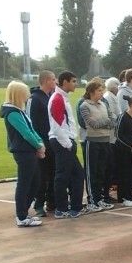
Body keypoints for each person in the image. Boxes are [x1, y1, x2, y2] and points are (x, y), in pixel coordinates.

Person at [1, 81, 45, 227]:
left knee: (35, 181)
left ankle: (24, 213)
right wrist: (39, 146)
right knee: (24, 184)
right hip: (23, 152)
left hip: (29, 151)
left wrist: (40, 143)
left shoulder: (19, 111)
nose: (28, 96)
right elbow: (26, 133)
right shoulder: (12, 113)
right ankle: (21, 215)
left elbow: (31, 129)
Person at [47, 71, 85, 219]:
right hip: (62, 141)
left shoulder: (62, 97)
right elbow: (57, 125)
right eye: (73, 81)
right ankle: (62, 209)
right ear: (65, 82)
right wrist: (68, 143)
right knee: (63, 176)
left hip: (64, 141)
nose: (76, 84)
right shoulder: (57, 98)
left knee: (76, 174)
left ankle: (74, 207)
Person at [79, 79, 115, 212]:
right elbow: (92, 124)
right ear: (92, 91)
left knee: (101, 172)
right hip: (93, 142)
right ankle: (92, 200)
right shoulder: (84, 106)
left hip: (105, 141)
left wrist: (105, 122)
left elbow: (113, 121)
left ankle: (99, 199)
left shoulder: (104, 104)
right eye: (99, 90)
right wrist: (106, 121)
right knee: (92, 172)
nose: (102, 93)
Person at [26, 70, 56, 218]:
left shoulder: (51, 97)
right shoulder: (34, 98)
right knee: (41, 175)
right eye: (53, 79)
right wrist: (37, 143)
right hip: (41, 142)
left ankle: (52, 201)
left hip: (52, 141)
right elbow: (30, 122)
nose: (55, 82)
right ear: (46, 81)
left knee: (53, 172)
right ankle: (39, 204)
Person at [115, 95, 132, 207]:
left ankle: (129, 196)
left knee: (130, 173)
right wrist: (131, 144)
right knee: (124, 173)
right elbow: (118, 135)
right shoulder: (123, 117)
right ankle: (124, 197)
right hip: (123, 150)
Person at [102, 77, 121, 203]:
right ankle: (106, 191)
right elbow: (111, 114)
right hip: (110, 135)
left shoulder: (113, 96)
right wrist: (117, 121)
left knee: (111, 163)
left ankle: (109, 189)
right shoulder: (108, 97)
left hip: (114, 135)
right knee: (108, 164)